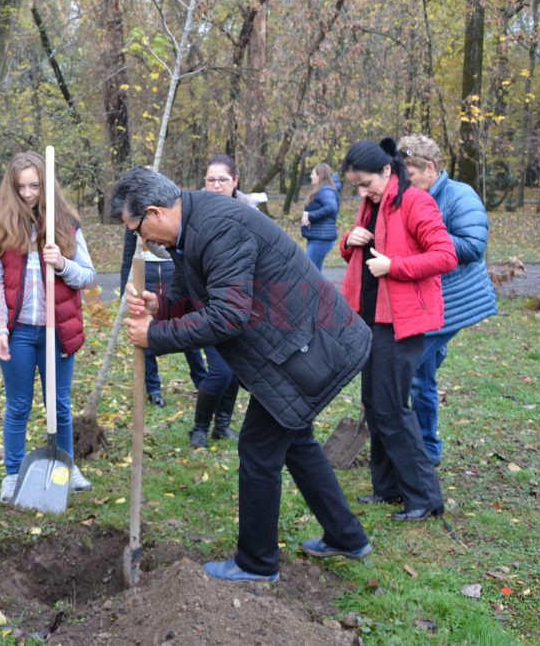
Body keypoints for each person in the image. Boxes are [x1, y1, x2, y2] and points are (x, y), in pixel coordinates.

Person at [116, 166, 373, 583]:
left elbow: (229, 315)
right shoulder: (190, 228)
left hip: (310, 347)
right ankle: (347, 536)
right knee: (297, 441)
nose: (143, 241)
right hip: (294, 348)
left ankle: (257, 563)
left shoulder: (219, 228)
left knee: (258, 449)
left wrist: (156, 334)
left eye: (139, 230)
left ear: (154, 211)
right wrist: (161, 307)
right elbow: (197, 294)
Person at [339, 138, 457, 521]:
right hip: (371, 318)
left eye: (365, 183)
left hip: (402, 322)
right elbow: (363, 253)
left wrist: (396, 267)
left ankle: (424, 496)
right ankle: (386, 487)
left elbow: (445, 255)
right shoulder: (372, 204)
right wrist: (347, 241)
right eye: (356, 186)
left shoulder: (415, 202)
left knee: (392, 407)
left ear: (388, 172)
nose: (362, 192)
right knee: (374, 404)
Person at [0, 151, 96, 502]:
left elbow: (87, 276)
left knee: (59, 404)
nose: (28, 193)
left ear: (46, 185)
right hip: (19, 333)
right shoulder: (3, 226)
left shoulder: (66, 223)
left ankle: (66, 466)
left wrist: (61, 264)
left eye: (34, 185)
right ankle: (13, 475)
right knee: (18, 406)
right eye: (21, 186)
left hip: (57, 331)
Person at [399, 135, 497, 466]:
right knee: (421, 374)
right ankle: (427, 450)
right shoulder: (412, 197)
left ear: (429, 168)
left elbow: (472, 246)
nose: (404, 182)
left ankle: (415, 447)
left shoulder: (459, 195)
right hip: (424, 300)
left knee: (406, 368)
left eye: (409, 174)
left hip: (453, 301)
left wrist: (427, 238)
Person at [189, 153, 259, 447]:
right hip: (208, 305)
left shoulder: (250, 212)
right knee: (220, 370)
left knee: (235, 369)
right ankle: (199, 429)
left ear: (235, 181)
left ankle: (223, 425)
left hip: (243, 306)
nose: (216, 185)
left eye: (223, 179)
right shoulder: (194, 213)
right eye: (211, 180)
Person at [301, 162, 340, 271]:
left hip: (321, 238)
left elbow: (332, 207)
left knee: (310, 272)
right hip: (317, 236)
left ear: (320, 175)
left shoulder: (326, 190)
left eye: (313, 173)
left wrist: (310, 216)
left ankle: (317, 289)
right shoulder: (322, 189)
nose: (311, 176)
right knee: (313, 271)